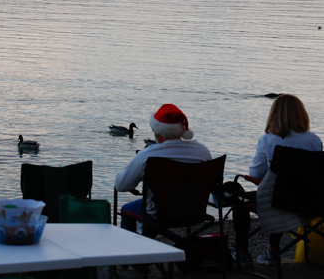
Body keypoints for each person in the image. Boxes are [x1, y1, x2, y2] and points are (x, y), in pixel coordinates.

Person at [232, 94, 322, 266]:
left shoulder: (268, 139)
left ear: (274, 115)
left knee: (241, 200)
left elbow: (256, 175)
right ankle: (272, 250)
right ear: (301, 114)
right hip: (309, 203)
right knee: (280, 192)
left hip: (279, 203)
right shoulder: (314, 140)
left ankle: (242, 253)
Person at [115, 104, 212, 233]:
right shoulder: (202, 151)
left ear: (157, 132)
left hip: (158, 214)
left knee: (127, 209)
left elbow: (121, 186)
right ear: (182, 131)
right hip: (194, 212)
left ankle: (134, 249)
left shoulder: (147, 155)